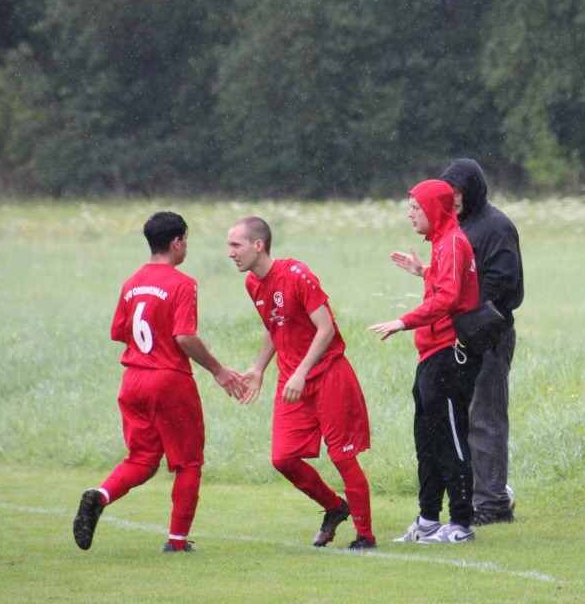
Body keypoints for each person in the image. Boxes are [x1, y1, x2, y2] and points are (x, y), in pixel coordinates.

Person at [73, 211, 245, 554]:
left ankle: (101, 496)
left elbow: (120, 333)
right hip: (169, 381)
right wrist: (218, 369)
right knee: (188, 463)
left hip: (133, 380)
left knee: (142, 459)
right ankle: (177, 543)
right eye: (186, 241)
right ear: (176, 242)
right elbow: (185, 336)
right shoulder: (183, 283)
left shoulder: (132, 282)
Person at [227, 216, 376, 550]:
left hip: (328, 375)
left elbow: (326, 329)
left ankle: (365, 536)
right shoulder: (253, 283)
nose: (231, 253)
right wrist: (260, 368)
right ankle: (335, 507)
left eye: (236, 245)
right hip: (293, 381)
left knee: (342, 457)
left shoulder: (297, 275)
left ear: (258, 245)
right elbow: (274, 325)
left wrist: (301, 371)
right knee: (283, 459)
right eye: (229, 246)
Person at [369, 180, 481, 543]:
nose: (410, 213)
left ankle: (461, 524)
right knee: (428, 444)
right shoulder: (444, 244)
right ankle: (429, 520)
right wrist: (424, 272)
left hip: (449, 357)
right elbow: (449, 285)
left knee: (450, 442)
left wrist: (403, 321)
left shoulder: (452, 242)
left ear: (434, 210)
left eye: (416, 206)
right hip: (431, 357)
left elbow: (448, 300)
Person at [417, 159, 523, 525]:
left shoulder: (496, 226)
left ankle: (492, 503)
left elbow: (507, 283)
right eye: (450, 192)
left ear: (474, 189)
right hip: (458, 338)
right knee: (458, 419)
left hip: (488, 336)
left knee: (486, 419)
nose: (455, 198)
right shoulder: (453, 227)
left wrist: (463, 303)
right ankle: (482, 496)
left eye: (459, 191)